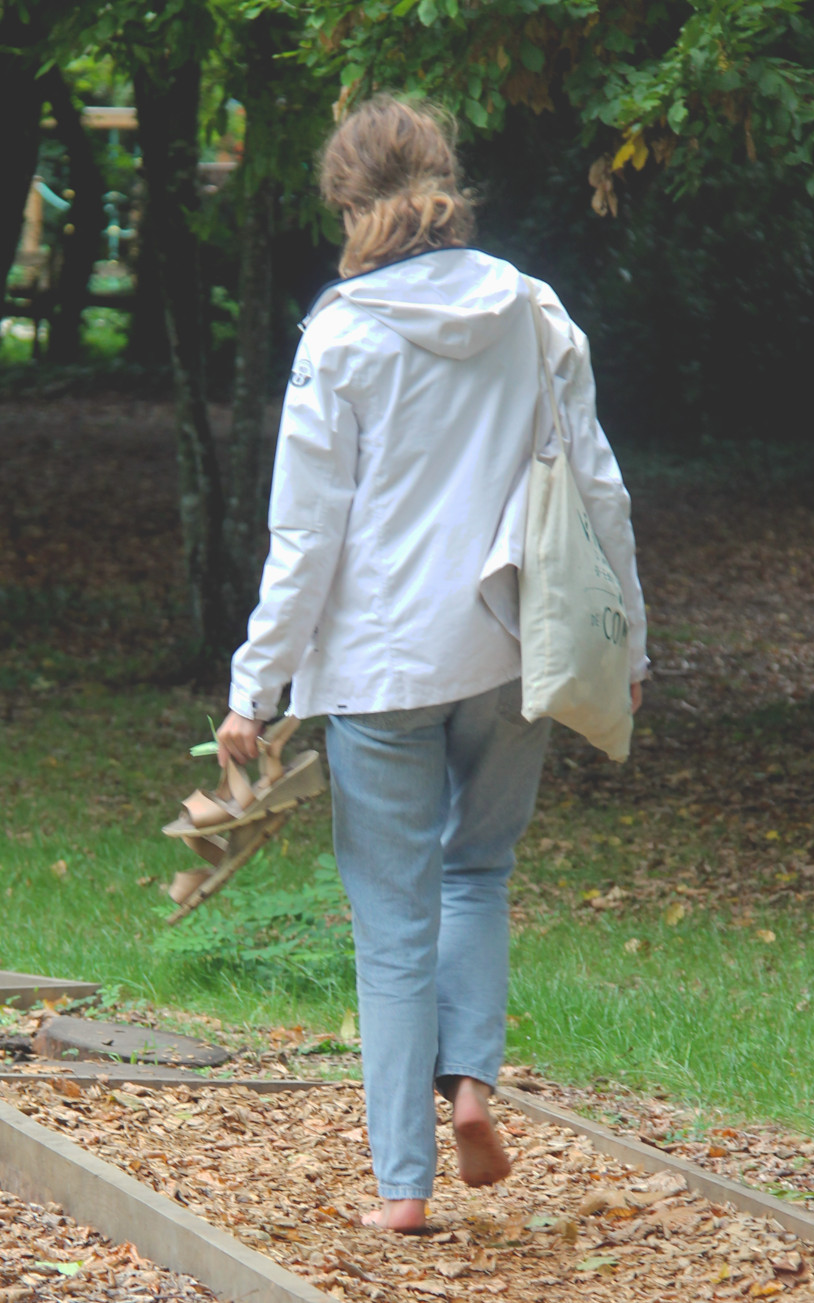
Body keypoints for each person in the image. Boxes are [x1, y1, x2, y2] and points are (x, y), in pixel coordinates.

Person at [217, 96, 647, 1232]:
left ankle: (403, 1190)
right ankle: (472, 1090)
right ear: (446, 183)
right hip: (511, 648)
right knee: (477, 875)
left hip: (380, 668)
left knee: (393, 925)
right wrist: (631, 645)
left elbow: (306, 534)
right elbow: (599, 488)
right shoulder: (532, 309)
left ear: (345, 201)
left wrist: (255, 689)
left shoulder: (340, 335)